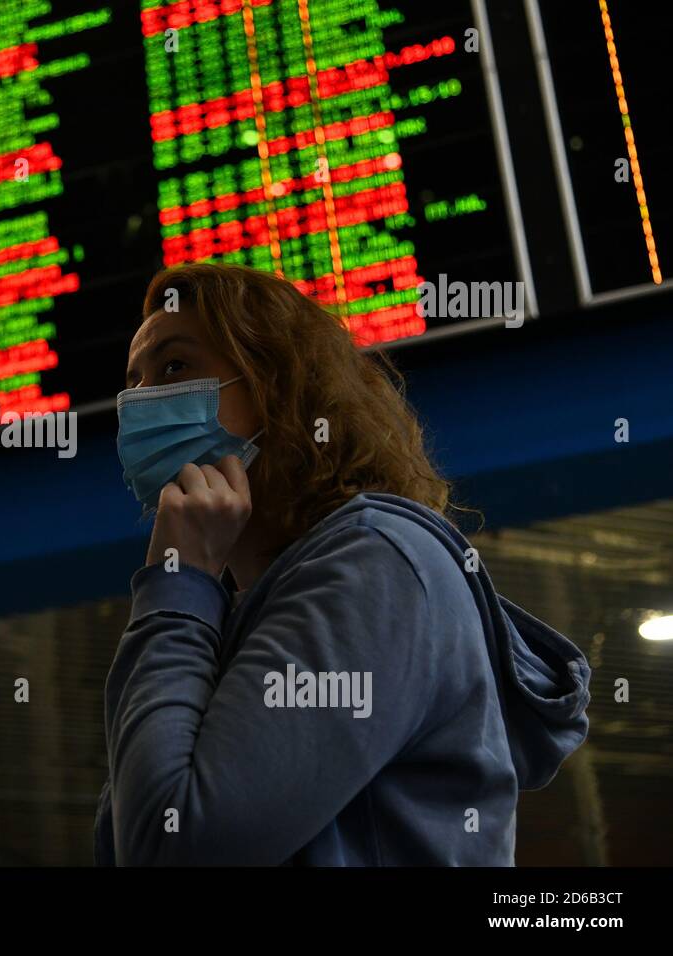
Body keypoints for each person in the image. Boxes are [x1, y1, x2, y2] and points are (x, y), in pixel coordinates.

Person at [95, 262, 590, 866]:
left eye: (174, 367)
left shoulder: (375, 562)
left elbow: (174, 848)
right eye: (133, 383)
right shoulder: (223, 621)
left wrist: (177, 583)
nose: (141, 405)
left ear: (278, 386)